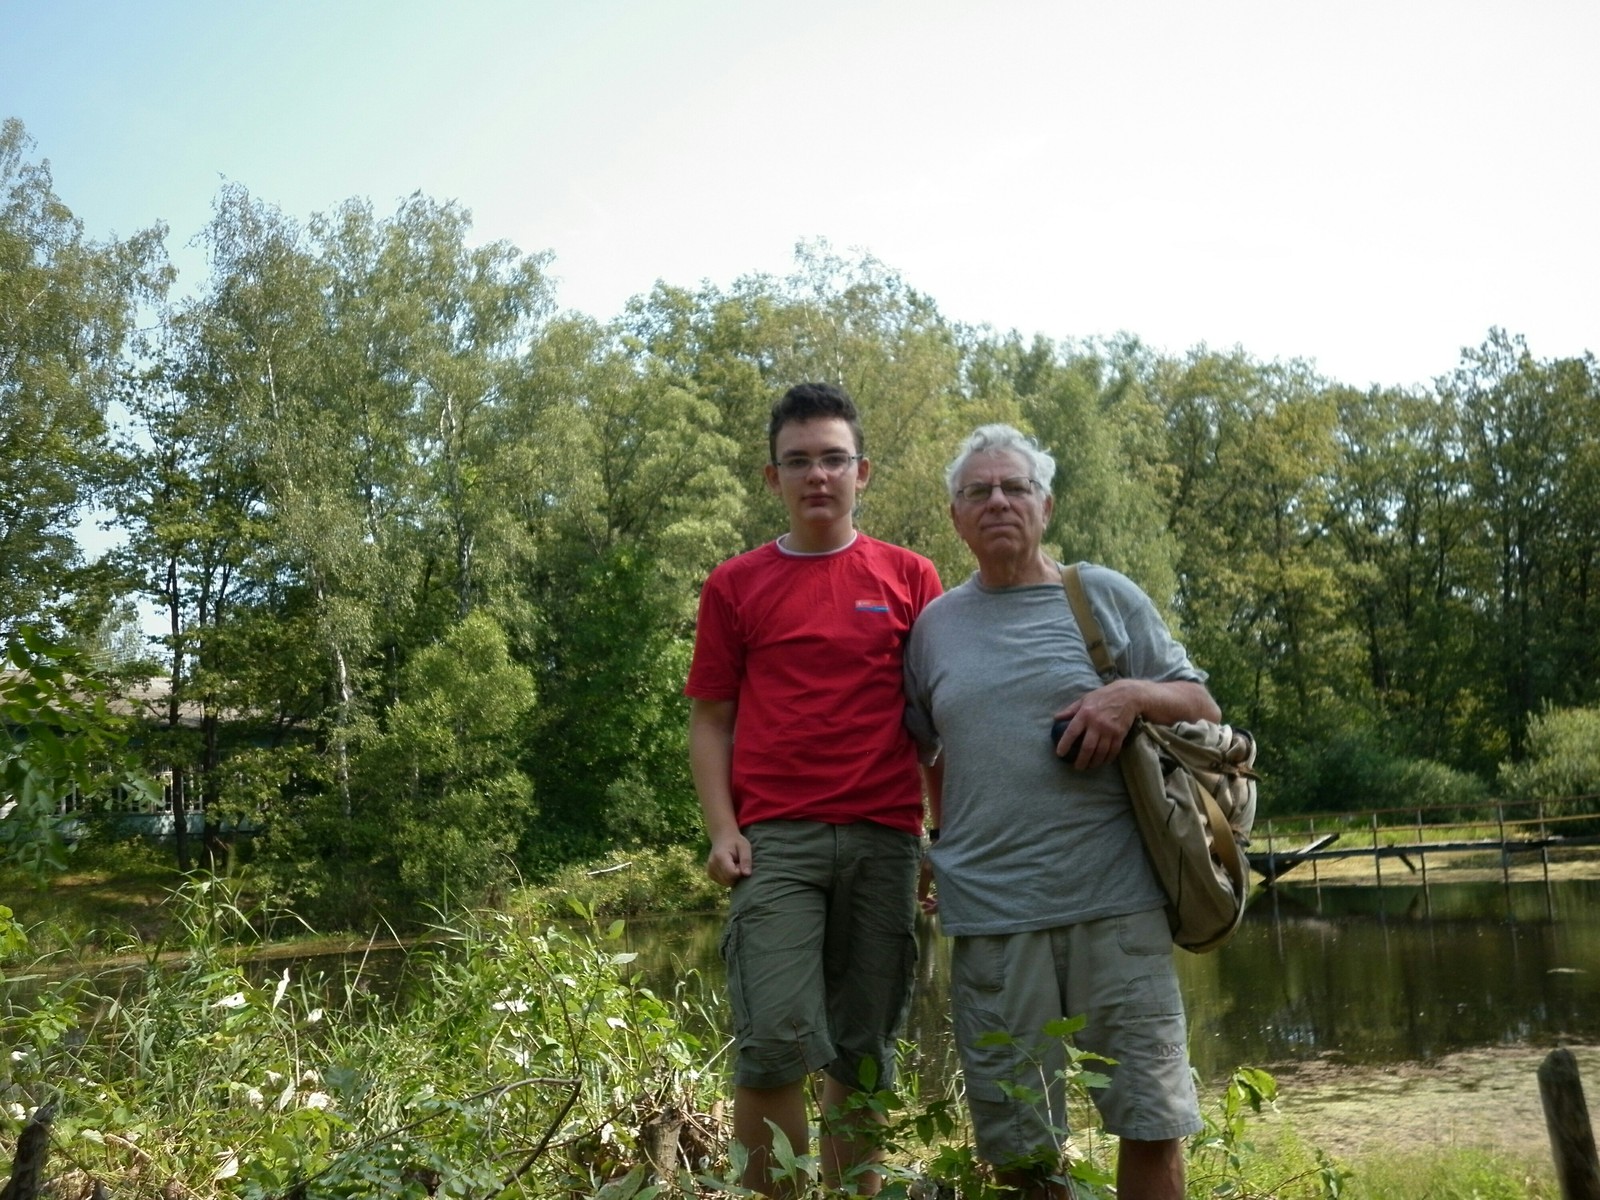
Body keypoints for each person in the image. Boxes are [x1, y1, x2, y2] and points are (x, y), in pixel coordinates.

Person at [903, 423, 1220, 1200]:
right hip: (991, 917)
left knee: (1150, 1118)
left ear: (1045, 505)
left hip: (1117, 903)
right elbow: (925, 751)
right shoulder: (935, 628)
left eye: (1014, 488)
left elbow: (1202, 704)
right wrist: (940, 846)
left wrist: (1127, 695)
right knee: (1017, 1144)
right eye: (978, 491)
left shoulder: (1102, 596)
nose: (998, 502)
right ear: (956, 518)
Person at [685, 382, 943, 1197]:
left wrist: (947, 836)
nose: (817, 476)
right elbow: (711, 720)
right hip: (777, 843)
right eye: (798, 462)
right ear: (773, 479)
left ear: (863, 472)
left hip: (887, 837)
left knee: (864, 1053)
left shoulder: (910, 576)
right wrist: (722, 828)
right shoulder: (736, 583)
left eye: (833, 459)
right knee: (770, 1046)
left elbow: (938, 723)